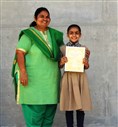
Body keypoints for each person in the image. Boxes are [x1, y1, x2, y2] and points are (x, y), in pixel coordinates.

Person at [11, 7, 65, 127]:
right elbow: (20, 53)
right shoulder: (29, 35)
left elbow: (61, 57)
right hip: (33, 82)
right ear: (35, 18)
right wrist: (23, 72)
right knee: (34, 117)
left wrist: (82, 53)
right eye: (42, 16)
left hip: (51, 82)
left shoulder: (54, 35)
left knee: (48, 118)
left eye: (47, 17)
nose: (45, 19)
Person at [59, 24, 92, 127]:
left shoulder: (84, 49)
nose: (74, 35)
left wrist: (86, 63)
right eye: (71, 33)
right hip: (68, 78)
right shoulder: (63, 49)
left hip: (80, 78)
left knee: (80, 106)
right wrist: (61, 62)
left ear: (80, 35)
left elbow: (86, 66)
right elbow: (59, 66)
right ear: (67, 35)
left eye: (76, 33)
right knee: (69, 106)